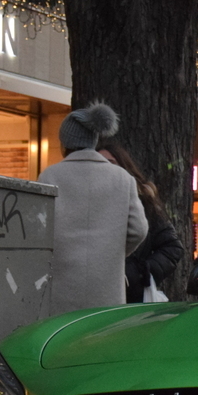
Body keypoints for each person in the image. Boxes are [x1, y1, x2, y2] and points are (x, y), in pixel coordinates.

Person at [38, 102, 148, 314]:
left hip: (61, 284)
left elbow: (39, 228)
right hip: (107, 286)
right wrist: (112, 252)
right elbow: (139, 230)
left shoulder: (50, 176)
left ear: (65, 143)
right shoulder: (123, 179)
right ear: (94, 140)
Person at [97, 141, 185, 303]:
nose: (106, 170)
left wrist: (141, 272)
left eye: (111, 163)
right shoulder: (89, 203)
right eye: (100, 164)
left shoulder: (144, 203)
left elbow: (172, 247)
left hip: (131, 296)